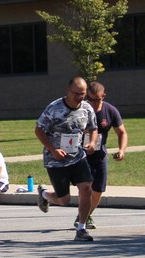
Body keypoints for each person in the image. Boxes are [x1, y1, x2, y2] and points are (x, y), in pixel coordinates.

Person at [34, 77, 98, 242]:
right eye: (76, 93)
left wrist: (91, 142)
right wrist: (53, 149)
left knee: (86, 189)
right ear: (68, 91)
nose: (79, 97)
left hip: (78, 157)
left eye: (82, 94)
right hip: (56, 160)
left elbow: (93, 128)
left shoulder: (87, 108)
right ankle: (45, 194)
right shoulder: (54, 108)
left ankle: (81, 228)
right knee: (64, 200)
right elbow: (39, 130)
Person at [81, 81, 127, 229]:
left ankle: (86, 215)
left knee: (98, 189)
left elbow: (122, 132)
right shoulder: (81, 110)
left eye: (97, 99)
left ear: (104, 96)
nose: (94, 103)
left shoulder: (110, 111)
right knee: (86, 187)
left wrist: (121, 150)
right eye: (91, 99)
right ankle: (83, 217)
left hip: (99, 155)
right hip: (81, 155)